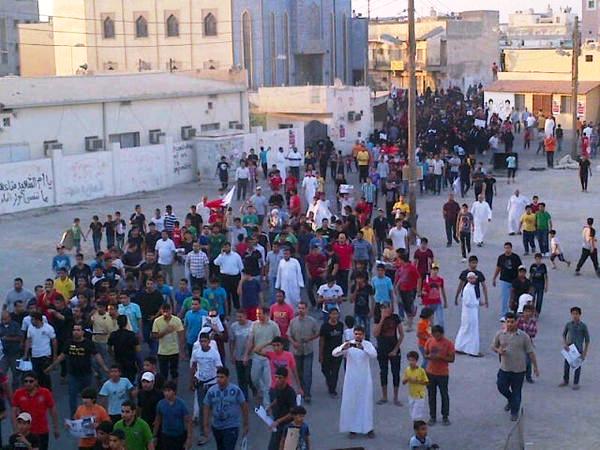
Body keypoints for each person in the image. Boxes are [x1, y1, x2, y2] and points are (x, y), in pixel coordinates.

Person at [44, 323, 109, 416]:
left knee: (89, 397)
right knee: (72, 397)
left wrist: (104, 367)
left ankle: (89, 415)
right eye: (74, 330)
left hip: (86, 374)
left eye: (78, 330)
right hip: (73, 375)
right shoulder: (68, 343)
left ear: (82, 332)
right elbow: (62, 356)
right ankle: (74, 417)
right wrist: (52, 367)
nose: (76, 332)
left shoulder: (88, 343)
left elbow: (97, 355)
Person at [492, 312, 539, 421]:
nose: (509, 324)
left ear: (517, 322)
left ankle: (514, 411)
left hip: (519, 370)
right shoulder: (500, 334)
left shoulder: (524, 336)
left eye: (512, 322)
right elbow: (493, 346)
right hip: (505, 368)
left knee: (517, 391)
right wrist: (498, 350)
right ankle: (511, 399)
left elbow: (530, 352)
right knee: (501, 386)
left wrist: (535, 367)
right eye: (508, 322)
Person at [332, 326, 377, 438]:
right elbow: (334, 353)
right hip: (351, 380)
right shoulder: (349, 344)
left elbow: (374, 355)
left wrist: (363, 348)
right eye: (356, 334)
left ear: (364, 335)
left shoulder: (367, 344)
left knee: (366, 403)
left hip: (365, 380)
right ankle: (352, 429)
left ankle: (368, 428)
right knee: (352, 403)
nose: (358, 336)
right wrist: (343, 348)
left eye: (360, 334)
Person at [203, 367, 249, 450]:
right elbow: (206, 406)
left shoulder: (236, 390)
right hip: (216, 426)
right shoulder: (211, 391)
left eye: (222, 377)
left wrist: (246, 424)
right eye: (217, 377)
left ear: (228, 378)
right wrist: (206, 424)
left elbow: (244, 406)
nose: (219, 379)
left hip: (231, 426)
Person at [189, 332, 222, 445]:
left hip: (212, 383)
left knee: (215, 407)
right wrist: (191, 381)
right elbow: (193, 366)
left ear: (209, 342)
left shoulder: (214, 353)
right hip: (201, 384)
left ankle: (218, 429)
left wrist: (221, 383)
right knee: (202, 409)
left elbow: (219, 368)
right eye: (201, 341)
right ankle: (204, 434)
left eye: (205, 341)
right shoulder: (196, 353)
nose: (203, 343)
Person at [244, 307, 281, 409]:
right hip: (256, 356)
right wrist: (246, 355)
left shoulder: (274, 326)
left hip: (269, 357)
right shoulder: (254, 325)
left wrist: (277, 355)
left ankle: (267, 406)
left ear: (266, 314)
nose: (258, 316)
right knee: (254, 378)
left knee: (268, 382)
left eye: (259, 314)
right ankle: (261, 390)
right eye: (257, 314)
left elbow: (278, 340)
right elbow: (251, 341)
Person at [11, 372, 59, 450]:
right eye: (26, 381)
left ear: (36, 381)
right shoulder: (18, 393)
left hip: (41, 431)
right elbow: (13, 412)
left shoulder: (45, 392)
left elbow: (53, 410)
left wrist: (56, 428)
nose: (28, 383)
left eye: (31, 381)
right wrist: (15, 429)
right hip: (25, 432)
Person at [288, 302, 319, 403]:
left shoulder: (312, 321)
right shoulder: (293, 322)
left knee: (307, 373)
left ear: (306, 310)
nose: (301, 310)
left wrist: (309, 338)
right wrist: (293, 343)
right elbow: (289, 334)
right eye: (299, 308)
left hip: (308, 351)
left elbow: (317, 333)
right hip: (297, 352)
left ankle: (307, 393)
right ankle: (301, 390)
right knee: (299, 373)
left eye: (303, 308)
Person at [373, 304, 404, 406]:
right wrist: (382, 319)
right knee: (383, 372)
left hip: (394, 349)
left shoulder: (395, 317)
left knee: (395, 373)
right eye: (384, 308)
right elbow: (375, 334)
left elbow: (401, 334)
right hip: (382, 349)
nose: (386, 309)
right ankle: (384, 396)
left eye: (388, 307)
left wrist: (395, 349)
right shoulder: (378, 318)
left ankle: (396, 397)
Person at [424, 325, 455, 426]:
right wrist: (429, 356)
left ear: (442, 334)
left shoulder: (448, 343)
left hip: (443, 373)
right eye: (435, 335)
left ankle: (445, 416)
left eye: (438, 335)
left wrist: (441, 357)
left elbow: (452, 359)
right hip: (430, 372)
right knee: (431, 395)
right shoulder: (429, 341)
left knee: (444, 395)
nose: (437, 337)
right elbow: (425, 354)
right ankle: (432, 416)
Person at [154, 381, 193, 450]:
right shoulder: (160, 404)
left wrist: (189, 438)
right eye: (165, 391)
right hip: (166, 435)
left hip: (179, 436)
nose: (166, 393)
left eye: (169, 391)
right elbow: (158, 420)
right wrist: (154, 435)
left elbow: (188, 421)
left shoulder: (182, 404)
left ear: (174, 391)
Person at [151, 303, 184, 384]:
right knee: (163, 372)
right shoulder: (157, 321)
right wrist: (165, 331)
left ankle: (174, 388)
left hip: (174, 350)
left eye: (167, 311)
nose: (166, 314)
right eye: (164, 311)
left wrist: (181, 350)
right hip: (162, 351)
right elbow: (154, 336)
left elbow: (181, 335)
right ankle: (164, 388)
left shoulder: (177, 320)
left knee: (174, 371)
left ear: (171, 311)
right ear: (161, 311)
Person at [454, 272, 484, 357]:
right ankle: (472, 350)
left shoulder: (471, 287)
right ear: (468, 279)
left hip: (472, 312)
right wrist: (477, 303)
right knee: (470, 330)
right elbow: (467, 302)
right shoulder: (467, 289)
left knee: (468, 330)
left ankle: (461, 347)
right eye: (471, 278)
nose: (473, 280)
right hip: (469, 313)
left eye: (474, 278)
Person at [560, 307, 590, 390]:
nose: (575, 316)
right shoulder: (569, 324)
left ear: (580, 315)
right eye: (573, 314)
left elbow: (587, 340)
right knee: (566, 366)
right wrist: (565, 344)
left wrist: (585, 352)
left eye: (576, 314)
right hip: (569, 348)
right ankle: (565, 380)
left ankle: (576, 383)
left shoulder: (583, 326)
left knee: (577, 367)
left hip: (578, 349)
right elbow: (564, 334)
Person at [267, 367, 297, 450]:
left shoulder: (290, 393)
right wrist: (270, 406)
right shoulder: (277, 388)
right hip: (278, 424)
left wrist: (278, 421)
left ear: (286, 378)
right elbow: (278, 399)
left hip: (289, 425)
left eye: (280, 378)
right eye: (276, 377)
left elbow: (292, 413)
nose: (277, 380)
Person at [493, 243, 522, 318]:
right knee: (505, 298)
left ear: (511, 248)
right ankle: (504, 314)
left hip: (514, 280)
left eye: (508, 248)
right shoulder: (501, 257)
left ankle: (514, 312)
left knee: (514, 297)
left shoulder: (516, 257)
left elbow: (520, 269)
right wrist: (494, 278)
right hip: (504, 280)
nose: (507, 249)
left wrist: (521, 279)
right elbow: (498, 268)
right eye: (505, 248)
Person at [319, 308, 343, 398]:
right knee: (325, 369)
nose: (334, 316)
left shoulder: (340, 325)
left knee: (335, 371)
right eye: (332, 314)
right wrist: (320, 354)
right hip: (327, 353)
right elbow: (321, 340)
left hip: (338, 353)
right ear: (329, 315)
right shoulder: (325, 326)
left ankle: (332, 389)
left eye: (336, 314)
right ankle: (329, 382)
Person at [403, 352, 429, 423]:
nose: (411, 362)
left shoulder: (421, 371)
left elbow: (426, 382)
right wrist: (407, 379)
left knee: (416, 415)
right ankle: (417, 425)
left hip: (420, 395)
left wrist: (418, 381)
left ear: (416, 361)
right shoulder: (407, 370)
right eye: (409, 360)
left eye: (413, 360)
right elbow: (403, 382)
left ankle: (418, 426)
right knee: (412, 413)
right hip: (411, 395)